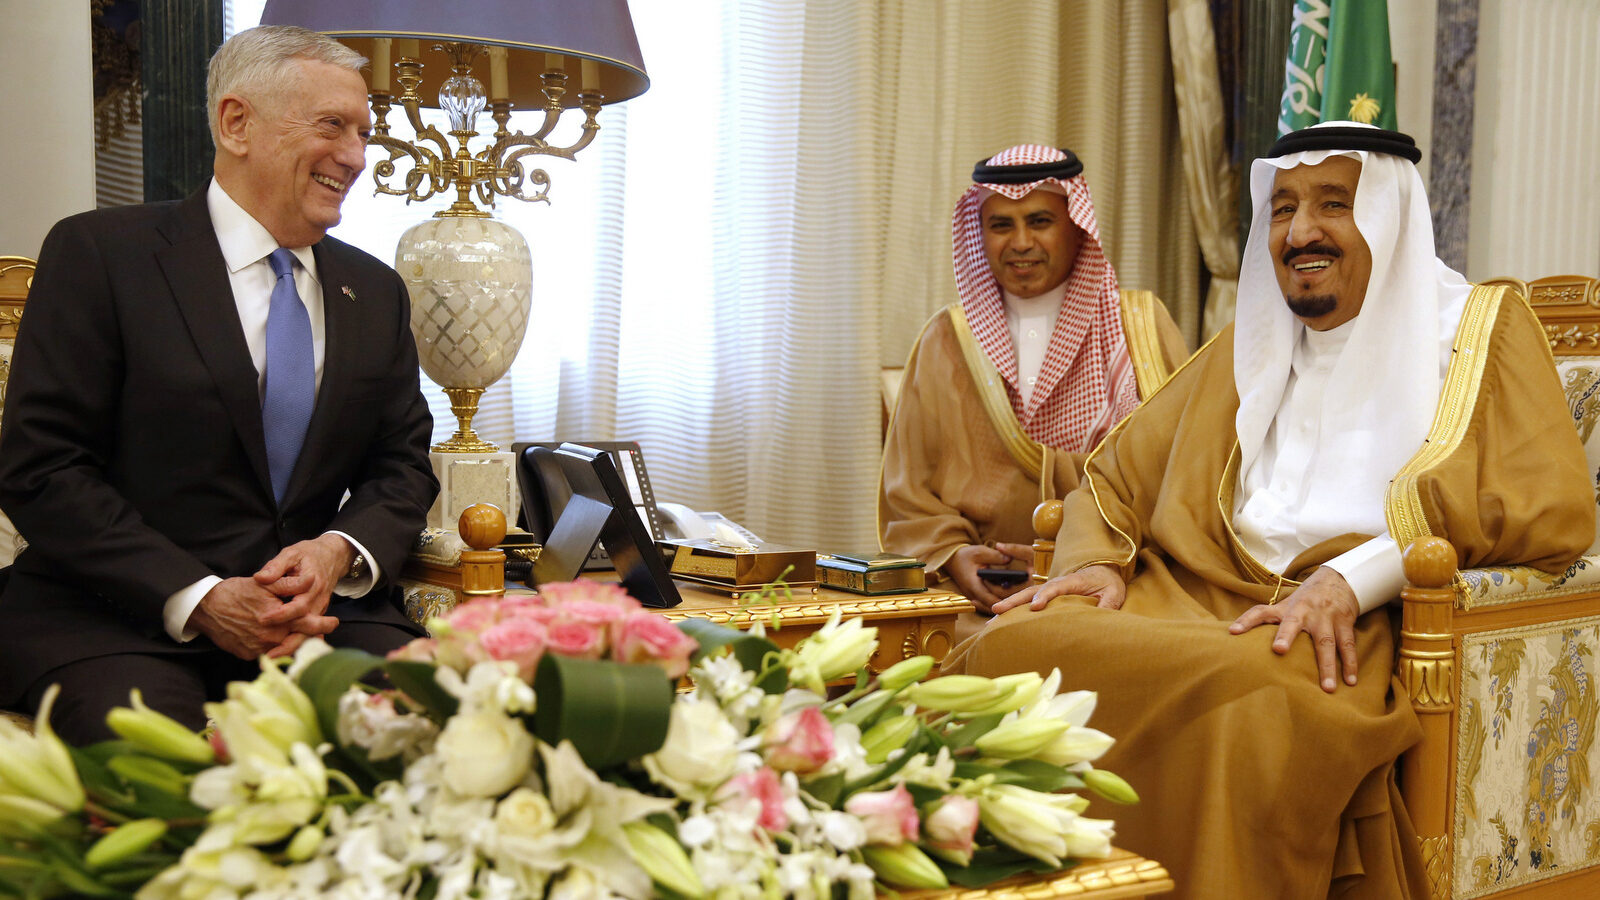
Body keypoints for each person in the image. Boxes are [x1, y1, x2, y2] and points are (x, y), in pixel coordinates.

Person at [944, 123, 1593, 898]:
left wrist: (1352, 581)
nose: (1300, 231)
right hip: (1196, 590)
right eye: (1282, 208)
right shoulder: (1250, 341)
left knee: (1243, 703)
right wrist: (1092, 564)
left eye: (1333, 204)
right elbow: (1115, 475)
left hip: (1347, 624)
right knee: (1008, 649)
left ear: (1388, 215)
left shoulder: (1478, 331)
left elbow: (1545, 506)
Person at [0, 25, 438, 744]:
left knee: (438, 728)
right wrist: (200, 596)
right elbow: (43, 468)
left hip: (320, 620)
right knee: (161, 768)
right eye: (333, 125)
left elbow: (402, 465)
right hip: (116, 619)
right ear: (237, 123)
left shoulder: (375, 289)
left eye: (364, 132)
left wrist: (337, 550)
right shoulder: (102, 257)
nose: (356, 157)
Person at [879, 145, 1188, 615]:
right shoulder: (946, 340)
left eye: (1040, 221)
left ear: (1075, 226)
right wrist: (955, 556)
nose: (1020, 242)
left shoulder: (1139, 326)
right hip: (977, 594)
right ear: (978, 233)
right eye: (1001, 225)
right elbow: (909, 496)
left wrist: (1078, 555)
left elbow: (1178, 469)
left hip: (1116, 583)